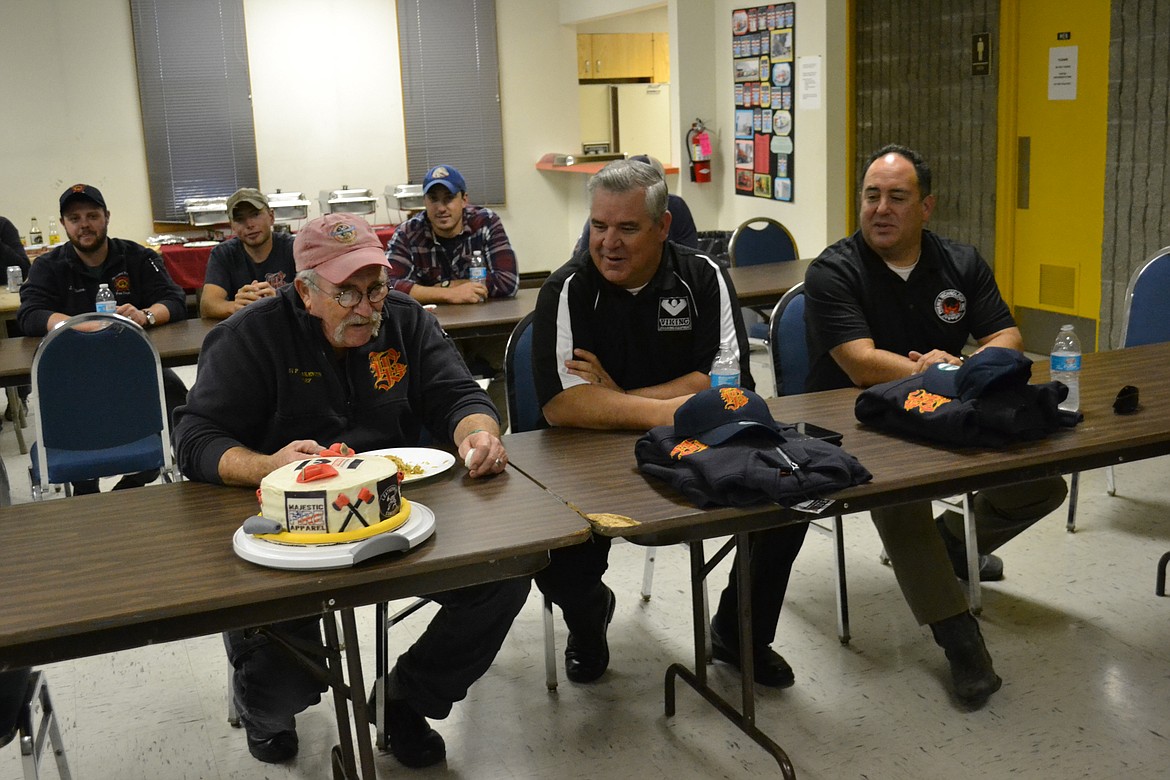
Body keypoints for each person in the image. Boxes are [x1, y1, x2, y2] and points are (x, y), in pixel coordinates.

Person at [172, 213, 525, 768]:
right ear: (305, 289)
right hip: (291, 529)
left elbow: (458, 395)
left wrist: (479, 433)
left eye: (376, 288)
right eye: (348, 293)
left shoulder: (405, 320)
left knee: (506, 571)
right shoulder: (250, 337)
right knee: (284, 679)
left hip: (396, 513)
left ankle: (404, 701)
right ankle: (264, 713)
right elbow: (195, 440)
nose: (367, 307)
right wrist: (268, 464)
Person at [804, 144, 1069, 705]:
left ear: (926, 208)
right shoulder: (834, 269)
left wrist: (957, 370)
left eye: (897, 197)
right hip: (858, 422)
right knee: (902, 502)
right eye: (871, 195)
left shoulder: (960, 262)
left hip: (943, 414)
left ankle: (952, 545)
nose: (880, 208)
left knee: (1041, 484)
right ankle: (959, 639)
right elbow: (860, 362)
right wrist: (948, 374)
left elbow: (1007, 337)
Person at [531, 158, 809, 688]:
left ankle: (738, 633)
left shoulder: (702, 276)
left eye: (627, 228)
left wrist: (614, 396)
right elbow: (563, 406)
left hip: (695, 441)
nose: (608, 242)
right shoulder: (567, 288)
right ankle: (589, 621)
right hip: (589, 452)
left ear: (662, 227)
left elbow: (727, 385)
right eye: (598, 225)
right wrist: (677, 399)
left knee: (788, 496)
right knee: (559, 553)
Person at [17, 183, 189, 494]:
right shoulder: (47, 266)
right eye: (74, 218)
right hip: (76, 375)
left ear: (107, 217)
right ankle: (85, 485)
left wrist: (146, 316)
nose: (84, 224)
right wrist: (79, 326)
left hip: (134, 371)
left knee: (174, 389)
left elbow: (175, 300)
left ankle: (145, 472)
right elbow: (29, 314)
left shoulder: (138, 257)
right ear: (64, 224)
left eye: (92, 215)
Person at [385, 164, 519, 304]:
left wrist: (446, 286)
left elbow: (508, 280)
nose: (441, 208)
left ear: (464, 200)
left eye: (449, 198)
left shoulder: (485, 222)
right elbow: (387, 287)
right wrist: (447, 293)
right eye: (433, 199)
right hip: (427, 321)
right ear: (424, 201)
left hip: (481, 318)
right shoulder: (408, 232)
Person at [570, 155, 699, 254]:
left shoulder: (676, 206)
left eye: (628, 228)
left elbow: (689, 254)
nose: (609, 242)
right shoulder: (603, 213)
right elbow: (583, 258)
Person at [199, 188, 296, 319]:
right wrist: (237, 306)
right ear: (232, 226)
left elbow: (317, 298)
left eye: (255, 214)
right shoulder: (223, 254)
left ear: (271, 217)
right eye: (239, 219)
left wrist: (280, 302)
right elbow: (208, 305)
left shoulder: (295, 248)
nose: (249, 224)